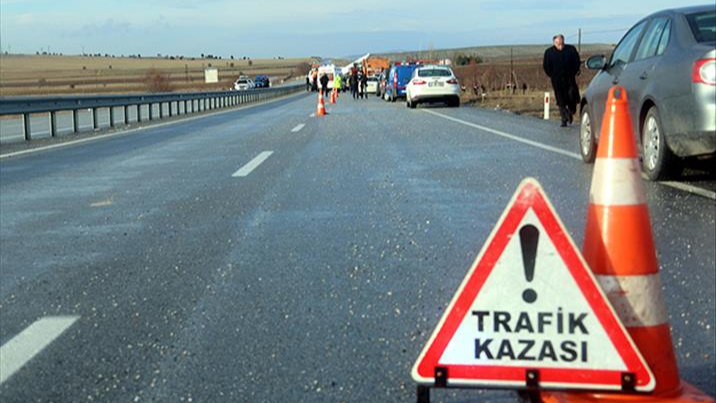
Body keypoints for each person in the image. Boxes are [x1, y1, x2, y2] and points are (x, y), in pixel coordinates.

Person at [543, 34, 581, 127]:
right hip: (557, 80)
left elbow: (577, 61)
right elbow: (546, 66)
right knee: (561, 99)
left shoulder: (571, 49)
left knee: (572, 95)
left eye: (562, 43)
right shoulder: (549, 52)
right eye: (558, 44)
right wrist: (552, 75)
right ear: (554, 43)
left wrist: (575, 71)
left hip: (570, 78)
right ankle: (564, 119)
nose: (560, 46)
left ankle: (571, 111)